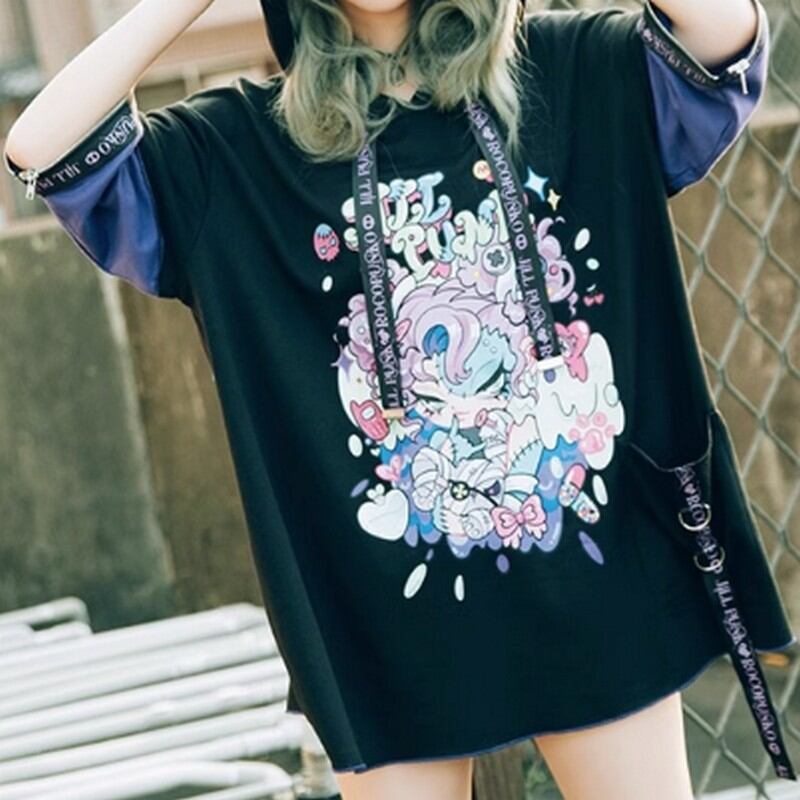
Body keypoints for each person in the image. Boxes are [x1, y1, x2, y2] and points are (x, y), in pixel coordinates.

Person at [5, 0, 796, 798]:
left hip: (596, 590)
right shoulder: (242, 150)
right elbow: (46, 147)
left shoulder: (568, 71)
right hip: (383, 629)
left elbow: (722, 34)